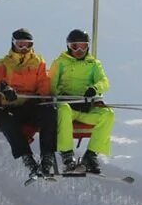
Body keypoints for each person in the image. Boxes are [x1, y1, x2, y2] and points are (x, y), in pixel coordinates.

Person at [0, 28, 57, 177]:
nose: (23, 48)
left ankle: (47, 157)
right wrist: (1, 86)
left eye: (27, 45)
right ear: (13, 44)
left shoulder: (38, 62)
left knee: (50, 113)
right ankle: (27, 158)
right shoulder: (4, 63)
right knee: (5, 120)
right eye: (20, 44)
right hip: (12, 106)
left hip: (32, 105)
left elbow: (44, 82)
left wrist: (43, 97)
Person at [49, 29, 114, 174]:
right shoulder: (60, 63)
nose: (79, 50)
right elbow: (50, 85)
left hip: (86, 108)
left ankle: (91, 155)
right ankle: (67, 155)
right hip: (67, 107)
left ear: (88, 47)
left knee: (108, 114)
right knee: (64, 110)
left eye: (83, 46)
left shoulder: (93, 64)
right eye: (75, 46)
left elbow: (105, 82)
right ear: (68, 47)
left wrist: (94, 89)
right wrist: (60, 95)